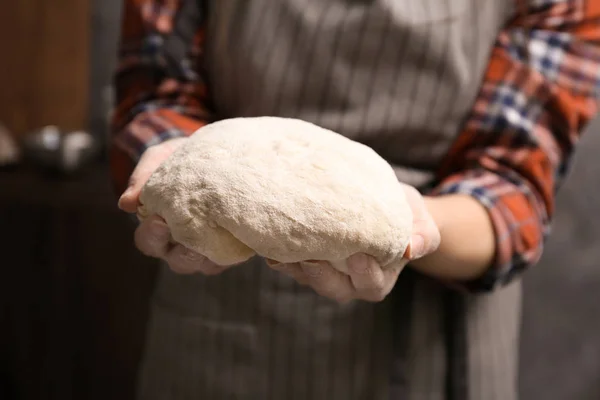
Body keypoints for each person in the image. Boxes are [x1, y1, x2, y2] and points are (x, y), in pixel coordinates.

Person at [110, 1, 600, 399]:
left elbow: (512, 188)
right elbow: (158, 93)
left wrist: (414, 226)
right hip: (223, 323)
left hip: (430, 329)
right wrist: (177, 173)